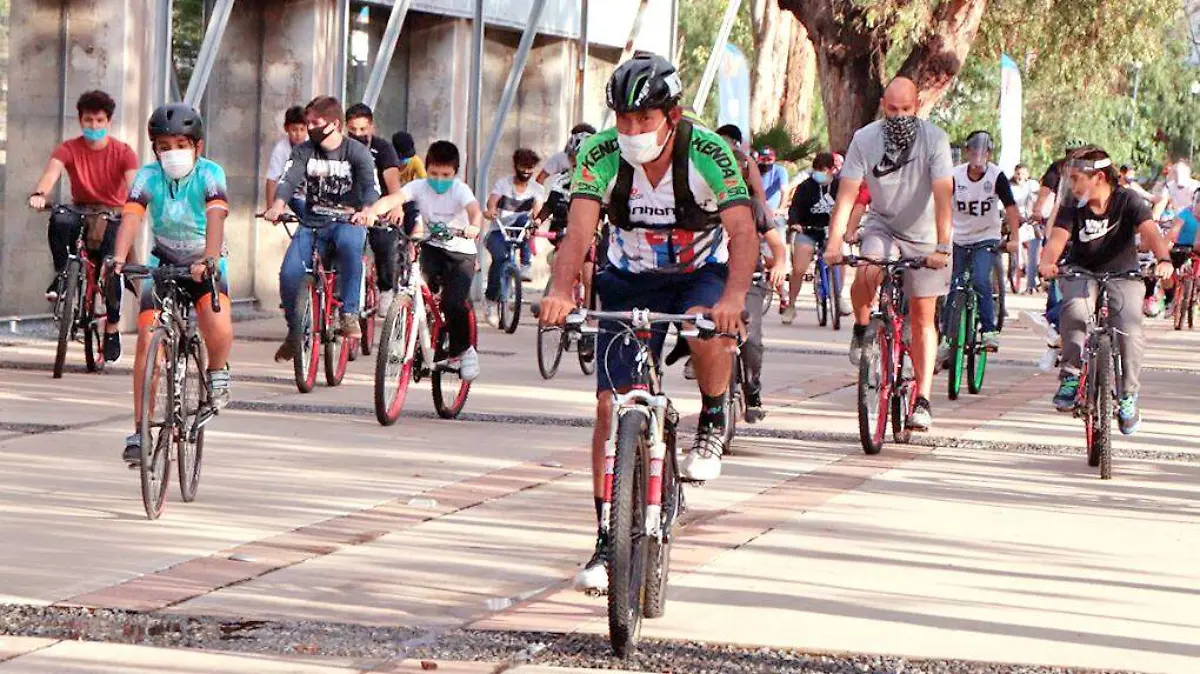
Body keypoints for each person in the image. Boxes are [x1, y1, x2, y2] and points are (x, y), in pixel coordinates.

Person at [537, 52, 756, 592]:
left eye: (644, 120)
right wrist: (561, 290)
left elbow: (745, 233)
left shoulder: (709, 153)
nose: (631, 131)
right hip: (627, 277)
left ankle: (711, 415)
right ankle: (607, 538)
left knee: (710, 335)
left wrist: (732, 297)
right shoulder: (600, 154)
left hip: (699, 275)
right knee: (610, 405)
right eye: (623, 119)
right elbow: (579, 234)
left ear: (672, 116)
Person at [823, 77, 954, 431]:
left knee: (923, 314)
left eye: (906, 110)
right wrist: (833, 244)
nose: (899, 117)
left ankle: (922, 400)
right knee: (867, 268)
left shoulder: (935, 140)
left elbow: (943, 194)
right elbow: (847, 194)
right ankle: (864, 328)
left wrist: (942, 246)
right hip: (882, 222)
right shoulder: (865, 139)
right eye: (893, 110)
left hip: (925, 231)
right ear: (883, 104)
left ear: (918, 106)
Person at [110, 104, 234, 464]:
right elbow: (131, 216)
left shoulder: (211, 174)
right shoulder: (148, 176)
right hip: (163, 262)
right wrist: (120, 259)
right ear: (155, 150)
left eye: (181, 144)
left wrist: (209, 259)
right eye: (164, 147)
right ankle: (140, 430)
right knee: (147, 343)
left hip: (203, 262)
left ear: (197, 145)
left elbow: (216, 214)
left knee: (218, 323)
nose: (172, 152)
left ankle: (217, 373)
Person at [1038, 146, 1173, 435]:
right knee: (1075, 310)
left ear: (1098, 177)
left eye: (1076, 179)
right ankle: (1071, 377)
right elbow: (1057, 240)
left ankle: (1128, 395)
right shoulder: (1072, 207)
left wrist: (1163, 260)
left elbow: (1150, 232)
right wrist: (1048, 262)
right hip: (1081, 272)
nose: (1072, 187)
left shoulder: (1129, 201)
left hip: (1124, 274)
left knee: (1129, 328)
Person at [263, 96, 379, 360]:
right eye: (309, 122)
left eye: (316, 122)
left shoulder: (356, 152)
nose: (311, 127)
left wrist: (367, 211)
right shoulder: (304, 150)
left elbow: (371, 187)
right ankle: (295, 332)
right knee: (289, 273)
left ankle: (349, 313)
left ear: (335, 124)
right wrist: (277, 205)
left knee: (351, 247)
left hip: (348, 220)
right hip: (313, 222)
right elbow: (289, 179)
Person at [28, 90, 140, 363]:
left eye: (99, 120)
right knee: (59, 218)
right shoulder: (68, 148)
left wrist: (136, 207)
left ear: (108, 122)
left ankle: (112, 328)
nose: (94, 126)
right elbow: (51, 174)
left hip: (112, 214)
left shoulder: (123, 152)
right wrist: (40, 194)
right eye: (88, 120)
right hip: (80, 210)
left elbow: (136, 187)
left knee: (114, 268)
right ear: (80, 121)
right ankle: (62, 274)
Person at [366, 140, 483, 381]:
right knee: (416, 287)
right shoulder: (419, 186)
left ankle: (464, 351)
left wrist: (474, 226)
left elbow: (475, 211)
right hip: (431, 247)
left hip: (461, 253)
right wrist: (372, 211)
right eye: (434, 174)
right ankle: (416, 337)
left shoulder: (460, 190)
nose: (439, 179)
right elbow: (394, 198)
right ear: (426, 169)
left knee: (453, 302)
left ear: (455, 173)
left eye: (445, 175)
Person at [936, 130, 1019, 360]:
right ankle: (947, 336)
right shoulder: (955, 175)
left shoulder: (996, 176)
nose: (979, 158)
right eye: (975, 152)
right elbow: (940, 204)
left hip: (987, 236)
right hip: (959, 237)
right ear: (967, 153)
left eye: (985, 152)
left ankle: (989, 329)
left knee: (981, 279)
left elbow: (1011, 208)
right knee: (954, 285)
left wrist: (1014, 237)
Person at [345, 103, 404, 315]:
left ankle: (386, 289)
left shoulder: (383, 149)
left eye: (363, 129)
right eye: (353, 130)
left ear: (372, 128)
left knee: (384, 244)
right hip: (350, 207)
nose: (358, 134)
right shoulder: (341, 148)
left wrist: (396, 205)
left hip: (379, 207)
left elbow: (392, 179)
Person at [785, 152, 851, 323]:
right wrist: (795, 223)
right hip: (808, 230)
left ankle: (838, 295)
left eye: (823, 170)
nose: (819, 174)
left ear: (832, 170)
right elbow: (794, 208)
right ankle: (791, 305)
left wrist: (848, 227)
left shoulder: (839, 186)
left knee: (841, 257)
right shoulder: (805, 187)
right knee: (799, 268)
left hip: (832, 231)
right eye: (816, 170)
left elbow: (848, 206)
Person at [484, 148, 545, 323]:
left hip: (520, 230)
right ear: (515, 166)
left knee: (524, 221)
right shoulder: (503, 184)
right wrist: (491, 211)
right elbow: (493, 201)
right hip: (499, 230)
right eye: (522, 167)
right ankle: (491, 301)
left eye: (530, 168)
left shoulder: (536, 189)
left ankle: (525, 264)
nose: (526, 171)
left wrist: (537, 221)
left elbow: (538, 209)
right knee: (500, 258)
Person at [264, 106, 308, 214]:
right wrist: (271, 208)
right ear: (286, 128)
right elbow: (272, 179)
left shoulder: (313, 145)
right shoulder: (281, 149)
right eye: (294, 130)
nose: (298, 134)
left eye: (302, 129)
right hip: (295, 194)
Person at [391, 131, 426, 235]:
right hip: (391, 196)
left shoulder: (415, 161)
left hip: (407, 198)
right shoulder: (389, 159)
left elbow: (425, 180)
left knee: (412, 213)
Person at [758, 147, 790, 213]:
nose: (766, 162)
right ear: (758, 159)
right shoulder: (754, 169)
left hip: (771, 211)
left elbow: (785, 191)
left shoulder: (780, 171)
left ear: (774, 159)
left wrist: (780, 209)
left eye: (769, 159)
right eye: (763, 159)